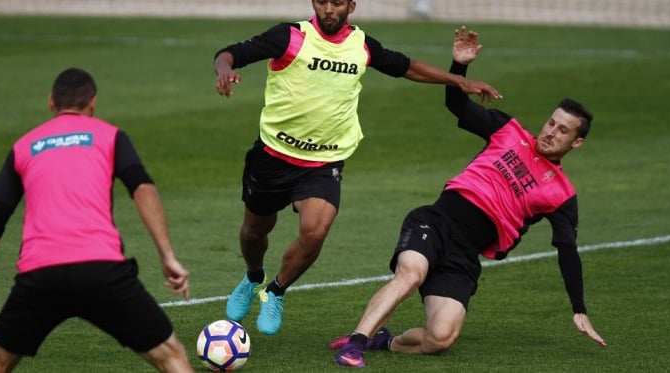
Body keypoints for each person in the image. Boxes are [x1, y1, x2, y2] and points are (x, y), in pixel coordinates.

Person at [213, 0, 502, 336]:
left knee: (315, 232)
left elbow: (405, 66)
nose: (329, 10)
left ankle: (275, 291)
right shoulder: (289, 36)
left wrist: (458, 80)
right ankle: (252, 277)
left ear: (351, 5)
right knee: (254, 231)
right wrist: (224, 71)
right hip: (274, 155)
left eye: (337, 3)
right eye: (322, 2)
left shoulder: (361, 45)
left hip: (324, 161)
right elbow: (229, 53)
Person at [330, 25, 607, 368]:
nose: (551, 132)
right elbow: (456, 103)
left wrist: (578, 308)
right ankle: (355, 344)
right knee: (411, 273)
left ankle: (383, 341)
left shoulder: (562, 194)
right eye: (551, 123)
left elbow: (567, 249)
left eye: (563, 130)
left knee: (440, 338)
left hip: (464, 255)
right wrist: (459, 67)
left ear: (576, 143)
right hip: (435, 222)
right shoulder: (509, 131)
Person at [0, 68, 194, 372]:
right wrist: (168, 256)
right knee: (171, 355)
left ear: (51, 102)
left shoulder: (23, 146)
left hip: (40, 274)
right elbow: (143, 189)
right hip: (101, 270)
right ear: (93, 103)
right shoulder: (110, 136)